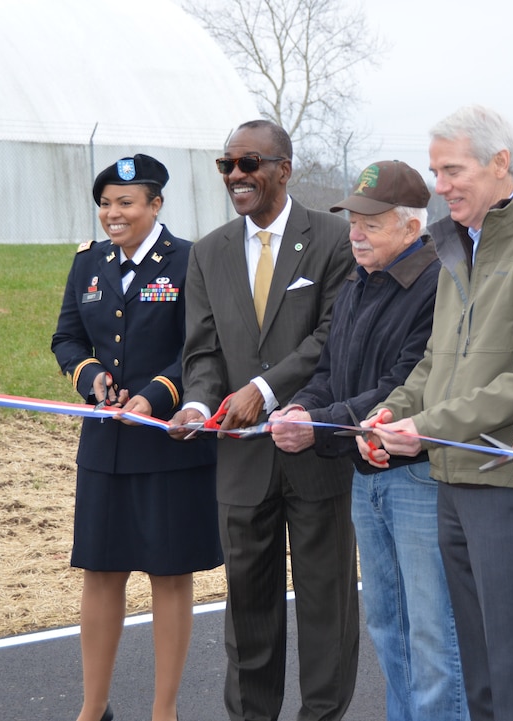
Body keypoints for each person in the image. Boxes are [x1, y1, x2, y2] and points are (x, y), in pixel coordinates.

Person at [359, 106, 513, 721]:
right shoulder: (458, 246)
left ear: (500, 165)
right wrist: (393, 413)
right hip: (455, 482)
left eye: (452, 169)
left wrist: (431, 427)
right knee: (483, 679)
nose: (440, 185)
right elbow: (435, 363)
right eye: (436, 171)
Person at [168, 120, 357, 721]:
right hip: (241, 463)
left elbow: (333, 336)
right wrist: (198, 404)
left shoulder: (333, 238)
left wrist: (264, 389)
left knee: (327, 609)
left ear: (284, 169)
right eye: (226, 165)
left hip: (315, 457)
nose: (236, 177)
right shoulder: (209, 251)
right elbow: (201, 351)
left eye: (249, 163)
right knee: (248, 613)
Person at [270, 160, 468, 721]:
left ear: (411, 226)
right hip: (366, 476)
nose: (355, 234)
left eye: (371, 223)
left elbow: (403, 385)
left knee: (433, 633)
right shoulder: (359, 282)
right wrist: (303, 408)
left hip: (419, 478)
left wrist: (321, 424)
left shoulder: (440, 286)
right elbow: (332, 369)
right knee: (388, 626)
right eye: (353, 220)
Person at [51, 154, 221, 721]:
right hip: (106, 445)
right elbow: (66, 339)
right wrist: (90, 377)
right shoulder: (88, 264)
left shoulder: (191, 261)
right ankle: (92, 708)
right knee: (101, 570)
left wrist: (156, 393)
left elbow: (200, 348)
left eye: (125, 202)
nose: (111, 214)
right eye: (105, 204)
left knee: (169, 574)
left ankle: (163, 711)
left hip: (168, 443)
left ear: (156, 205)